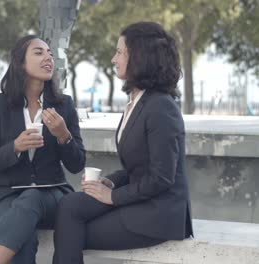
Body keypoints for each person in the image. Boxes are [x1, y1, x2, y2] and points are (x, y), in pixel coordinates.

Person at [52, 21, 194, 264]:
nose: (113, 59)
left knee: (71, 231)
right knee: (69, 205)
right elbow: (137, 167)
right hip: (140, 201)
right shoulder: (137, 101)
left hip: (158, 214)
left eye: (119, 52)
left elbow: (161, 177)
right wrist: (111, 182)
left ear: (139, 57)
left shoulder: (161, 107)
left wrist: (112, 197)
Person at [0, 35, 86, 264]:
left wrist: (63, 135)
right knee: (23, 242)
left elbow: (77, 165)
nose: (48, 57)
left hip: (51, 194)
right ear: (20, 62)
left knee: (32, 197)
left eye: (50, 54)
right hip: (4, 195)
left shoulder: (64, 105)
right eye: (39, 52)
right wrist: (14, 147)